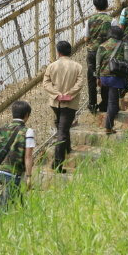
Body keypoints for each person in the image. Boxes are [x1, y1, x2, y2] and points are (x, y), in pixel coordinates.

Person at [42, 41, 83, 173]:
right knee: (63, 130)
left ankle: (67, 149)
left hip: (55, 102)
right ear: (70, 52)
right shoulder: (77, 66)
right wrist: (69, 94)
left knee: (62, 127)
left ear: (58, 52)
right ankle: (57, 163)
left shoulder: (52, 66)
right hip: (70, 103)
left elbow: (46, 83)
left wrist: (57, 94)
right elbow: (79, 84)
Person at [0, 100, 35, 206]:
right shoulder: (28, 131)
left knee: (18, 203)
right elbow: (28, 156)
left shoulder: (1, 129)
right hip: (13, 173)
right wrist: (29, 176)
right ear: (27, 115)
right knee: (5, 206)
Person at [95, 25, 128, 134]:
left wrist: (98, 78)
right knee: (113, 103)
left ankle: (110, 114)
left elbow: (98, 64)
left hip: (103, 77)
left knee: (109, 98)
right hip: (116, 77)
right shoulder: (124, 45)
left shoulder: (101, 45)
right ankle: (108, 127)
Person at [85, 0, 112, 114]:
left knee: (92, 78)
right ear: (107, 5)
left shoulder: (89, 20)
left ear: (95, 7)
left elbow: (86, 37)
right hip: (106, 52)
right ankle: (105, 104)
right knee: (105, 76)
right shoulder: (112, 20)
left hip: (92, 52)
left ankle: (92, 104)